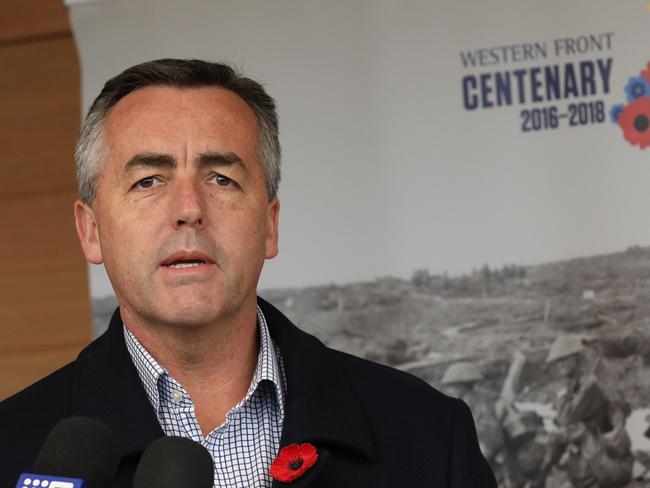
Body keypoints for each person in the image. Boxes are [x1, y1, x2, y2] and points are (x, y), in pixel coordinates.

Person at [0, 59, 497, 487]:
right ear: (91, 232)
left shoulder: (427, 434)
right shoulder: (13, 448)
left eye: (222, 178)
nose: (190, 209)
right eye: (149, 180)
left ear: (269, 226)